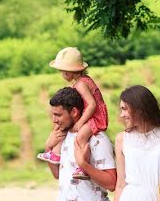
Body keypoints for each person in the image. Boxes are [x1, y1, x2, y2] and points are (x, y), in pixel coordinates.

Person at [37, 47, 109, 179]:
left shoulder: (81, 84)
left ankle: (82, 166)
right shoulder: (80, 82)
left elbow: (92, 105)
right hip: (89, 115)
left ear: (69, 72)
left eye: (62, 71)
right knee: (61, 129)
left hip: (95, 117)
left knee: (80, 137)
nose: (61, 74)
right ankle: (54, 154)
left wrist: (80, 122)